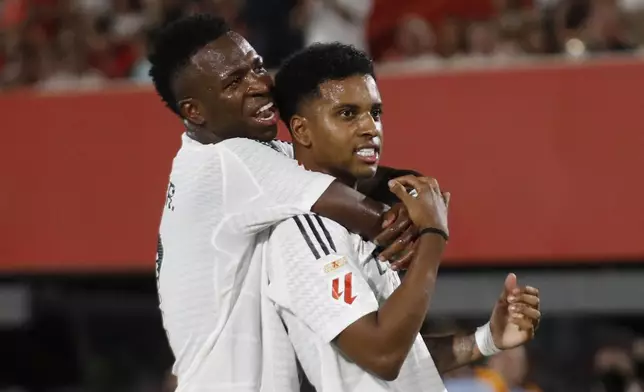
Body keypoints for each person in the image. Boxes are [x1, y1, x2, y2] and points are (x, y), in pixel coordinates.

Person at [147, 14, 417, 392]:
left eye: (256, 66)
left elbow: (344, 168)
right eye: (233, 82)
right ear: (195, 111)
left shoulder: (233, 156)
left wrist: (414, 188)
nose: (259, 85)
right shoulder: (229, 161)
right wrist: (425, 219)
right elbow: (374, 219)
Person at [266, 42, 542, 391]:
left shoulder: (357, 223)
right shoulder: (303, 232)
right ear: (302, 130)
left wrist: (486, 340)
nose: (370, 127)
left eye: (375, 112)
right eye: (348, 113)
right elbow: (383, 356)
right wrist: (434, 235)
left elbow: (402, 358)